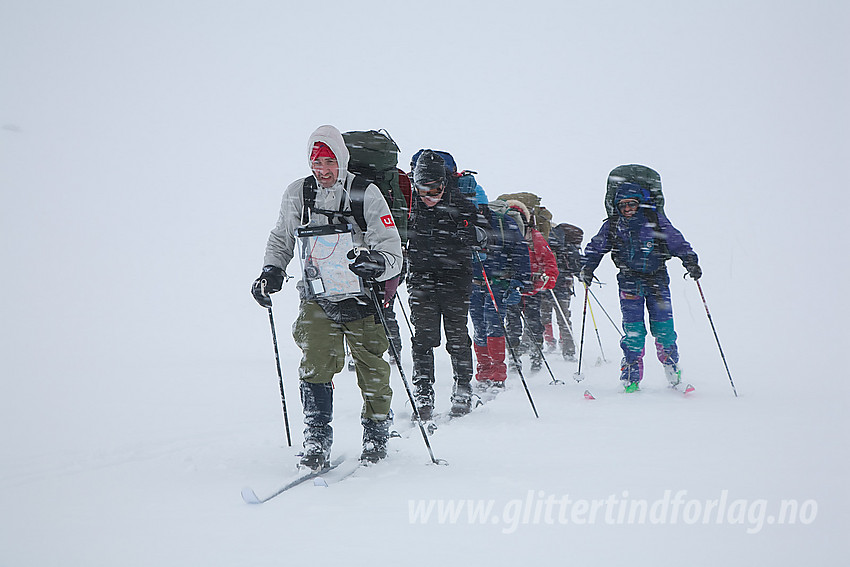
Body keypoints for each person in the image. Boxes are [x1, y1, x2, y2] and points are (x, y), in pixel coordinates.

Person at [251, 125, 403, 467]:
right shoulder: (297, 193)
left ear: (342, 159)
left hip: (363, 297)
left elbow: (393, 250)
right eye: (316, 163)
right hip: (317, 296)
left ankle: (377, 432)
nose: (322, 170)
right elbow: (281, 237)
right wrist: (271, 270)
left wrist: (376, 262)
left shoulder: (367, 194)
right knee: (315, 364)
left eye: (329, 162)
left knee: (372, 369)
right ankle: (317, 435)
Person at [580, 179, 701, 392]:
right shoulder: (613, 225)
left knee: (664, 329)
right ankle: (630, 377)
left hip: (657, 281)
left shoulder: (655, 220)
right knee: (633, 331)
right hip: (629, 282)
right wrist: (587, 267)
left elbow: (676, 241)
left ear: (640, 204)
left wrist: (689, 260)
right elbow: (596, 247)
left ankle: (672, 369)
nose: (627, 209)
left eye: (631, 204)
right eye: (623, 205)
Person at [405, 150, 484, 419]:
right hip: (420, 278)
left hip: (456, 278)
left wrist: (472, 233)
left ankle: (463, 388)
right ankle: (423, 392)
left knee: (457, 336)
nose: (429, 197)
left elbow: (488, 236)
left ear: (445, 184)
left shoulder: (460, 204)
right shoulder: (409, 206)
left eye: (435, 190)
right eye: (422, 190)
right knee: (423, 338)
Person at [469, 188, 531, 387]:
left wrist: (518, 282)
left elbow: (520, 253)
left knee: (493, 325)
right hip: (474, 284)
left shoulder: (504, 223)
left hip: (499, 283)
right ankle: (484, 371)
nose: (476, 211)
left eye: (478, 206)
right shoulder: (462, 223)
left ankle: (497, 374)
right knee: (479, 326)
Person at [501, 200, 559, 372]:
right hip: (528, 289)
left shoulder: (513, 236)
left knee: (516, 325)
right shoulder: (534, 237)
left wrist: (547, 278)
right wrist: (547, 280)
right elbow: (550, 263)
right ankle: (528, 358)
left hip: (518, 289)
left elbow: (550, 264)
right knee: (527, 324)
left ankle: (520, 359)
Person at [541, 222, 583, 360]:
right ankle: (568, 350)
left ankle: (548, 341)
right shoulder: (566, 245)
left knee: (543, 317)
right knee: (564, 319)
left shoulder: (544, 242)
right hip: (563, 286)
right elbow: (576, 264)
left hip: (544, 284)